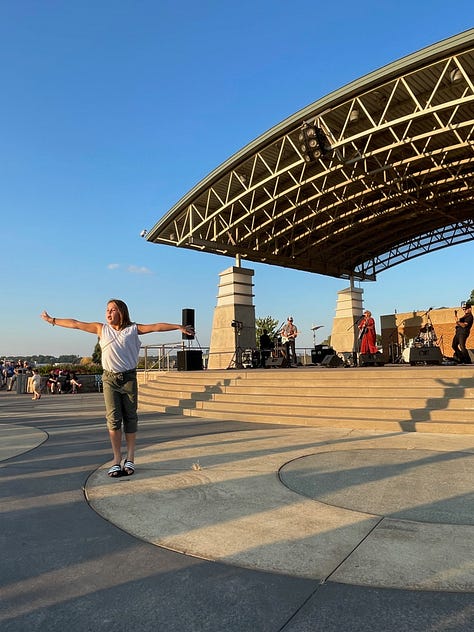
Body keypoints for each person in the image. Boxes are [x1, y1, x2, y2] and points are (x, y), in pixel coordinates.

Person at [41, 299, 194, 477]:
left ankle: (130, 458)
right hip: (110, 379)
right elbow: (76, 324)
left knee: (130, 418)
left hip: (128, 378)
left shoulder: (133, 329)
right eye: (107, 309)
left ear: (121, 312)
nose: (108, 313)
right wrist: (52, 320)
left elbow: (156, 327)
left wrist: (178, 327)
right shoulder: (101, 329)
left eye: (113, 310)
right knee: (113, 419)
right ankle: (116, 459)